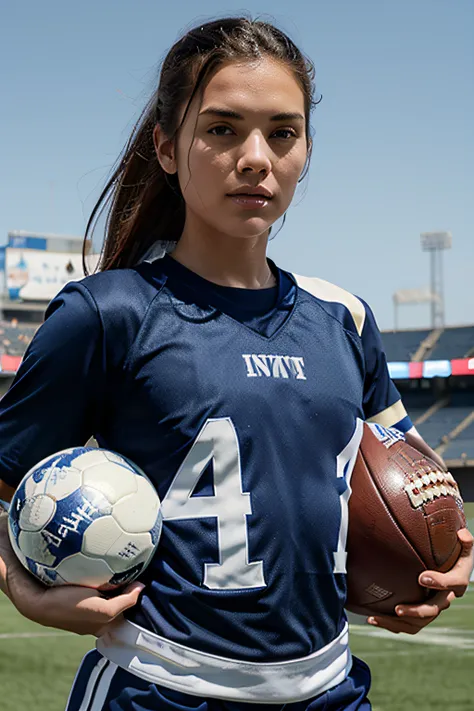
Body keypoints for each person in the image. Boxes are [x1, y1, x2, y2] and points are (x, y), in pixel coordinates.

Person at [0, 16, 472, 711]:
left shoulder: (345, 316)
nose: (256, 157)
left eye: (282, 132)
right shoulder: (107, 314)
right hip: (158, 687)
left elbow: (415, 475)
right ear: (166, 146)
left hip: (331, 691)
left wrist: (447, 552)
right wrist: (21, 586)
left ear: (306, 148)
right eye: (222, 129)